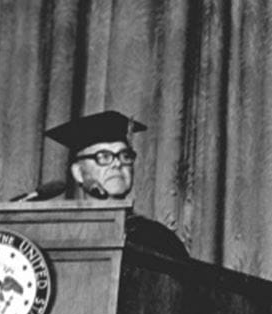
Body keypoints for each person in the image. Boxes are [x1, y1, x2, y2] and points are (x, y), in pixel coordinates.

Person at [21, 109, 187, 259]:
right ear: (78, 172)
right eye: (104, 157)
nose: (117, 164)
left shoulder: (159, 239)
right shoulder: (59, 233)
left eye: (125, 156)